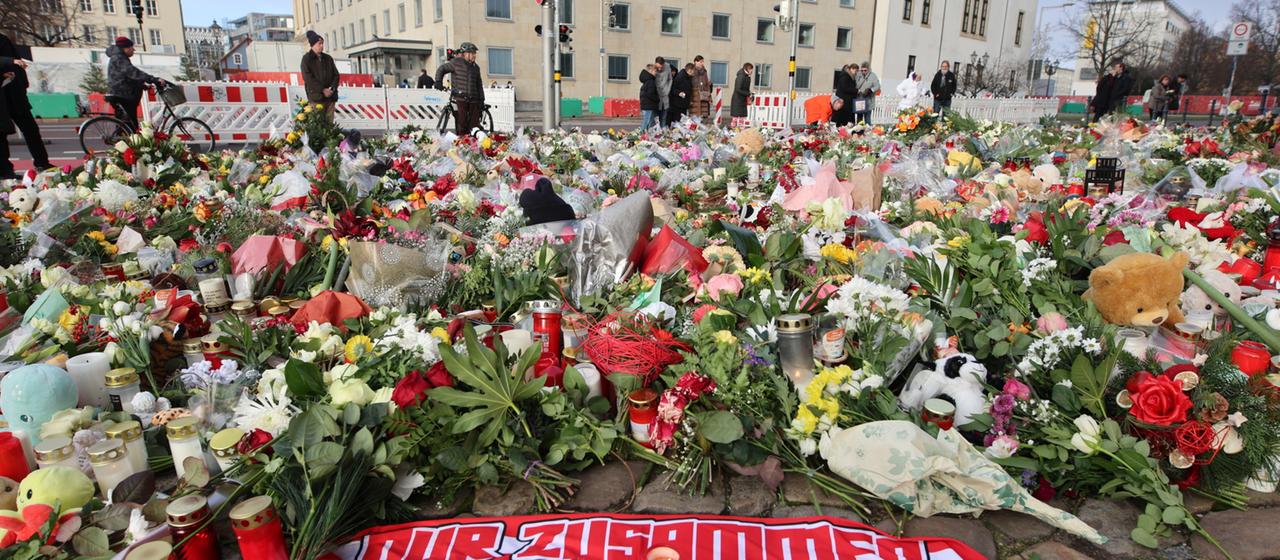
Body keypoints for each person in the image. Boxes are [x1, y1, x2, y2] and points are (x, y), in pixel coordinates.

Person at [0, 33, 49, 179]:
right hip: (2, 95)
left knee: (31, 130)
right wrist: (10, 62)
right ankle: (5, 171)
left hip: (15, 92)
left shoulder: (3, 38)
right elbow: (14, 60)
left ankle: (42, 163)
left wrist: (23, 83)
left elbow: (18, 61)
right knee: (1, 134)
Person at [107, 36, 164, 132]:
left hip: (121, 93)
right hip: (123, 94)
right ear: (125, 48)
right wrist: (153, 79)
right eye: (131, 47)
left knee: (127, 124)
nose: (133, 49)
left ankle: (124, 141)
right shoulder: (119, 58)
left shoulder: (118, 57)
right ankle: (125, 142)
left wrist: (141, 85)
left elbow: (126, 77)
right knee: (131, 125)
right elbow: (133, 72)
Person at [434, 42, 485, 135]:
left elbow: (479, 84)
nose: (474, 55)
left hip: (474, 99)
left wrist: (482, 99)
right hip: (460, 98)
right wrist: (438, 81)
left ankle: (473, 145)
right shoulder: (456, 62)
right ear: (465, 53)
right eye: (472, 53)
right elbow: (441, 69)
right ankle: (461, 145)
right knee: (462, 123)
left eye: (475, 53)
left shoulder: (476, 67)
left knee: (474, 126)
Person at [300, 31, 339, 120]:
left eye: (322, 43)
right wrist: (322, 90)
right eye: (319, 43)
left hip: (330, 98)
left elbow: (336, 75)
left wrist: (332, 89)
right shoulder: (306, 59)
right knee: (318, 125)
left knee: (329, 125)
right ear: (313, 45)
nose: (322, 46)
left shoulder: (328, 58)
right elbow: (308, 78)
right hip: (316, 98)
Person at [729, 63, 753, 127]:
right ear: (747, 69)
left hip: (742, 100)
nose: (752, 71)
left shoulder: (747, 76)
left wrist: (750, 94)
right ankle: (733, 132)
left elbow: (746, 88)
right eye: (751, 69)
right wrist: (748, 94)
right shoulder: (741, 76)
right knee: (735, 118)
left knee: (742, 118)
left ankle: (741, 133)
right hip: (737, 100)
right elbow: (738, 89)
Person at [638, 63, 660, 130]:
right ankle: (642, 136)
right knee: (647, 122)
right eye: (655, 71)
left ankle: (644, 135)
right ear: (650, 71)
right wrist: (658, 99)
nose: (656, 73)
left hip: (646, 104)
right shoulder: (651, 81)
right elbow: (650, 94)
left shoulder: (647, 80)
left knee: (647, 122)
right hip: (649, 105)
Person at [691, 55, 712, 120]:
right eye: (700, 62)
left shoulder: (704, 71)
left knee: (703, 116)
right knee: (694, 116)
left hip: (704, 95)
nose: (702, 63)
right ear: (695, 62)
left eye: (703, 62)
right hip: (694, 95)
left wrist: (709, 97)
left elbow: (707, 84)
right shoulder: (692, 70)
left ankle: (703, 128)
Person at [654, 57, 672, 126]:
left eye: (661, 67)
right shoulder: (653, 68)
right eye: (658, 67)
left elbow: (670, 79)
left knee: (664, 117)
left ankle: (663, 135)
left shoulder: (667, 67)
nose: (660, 69)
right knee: (656, 118)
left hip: (665, 95)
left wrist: (668, 90)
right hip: (656, 97)